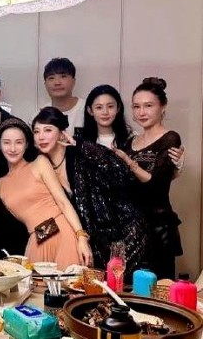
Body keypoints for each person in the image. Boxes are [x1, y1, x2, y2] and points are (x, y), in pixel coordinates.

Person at [32, 106, 148, 276]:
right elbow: (57, 208)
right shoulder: (43, 166)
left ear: (61, 133)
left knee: (124, 286)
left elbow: (117, 168)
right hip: (94, 240)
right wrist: (36, 237)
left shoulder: (80, 153)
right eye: (36, 131)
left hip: (125, 231)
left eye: (48, 130)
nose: (41, 136)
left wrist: (80, 144)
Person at [0, 117, 93, 269]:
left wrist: (81, 237)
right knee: (34, 283)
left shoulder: (39, 163)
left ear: (27, 144)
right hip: (37, 238)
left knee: (69, 282)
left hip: (62, 232)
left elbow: (63, 202)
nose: (13, 148)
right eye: (7, 142)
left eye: (19, 142)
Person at [113, 77, 183, 279]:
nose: (141, 112)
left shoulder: (170, 138)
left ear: (163, 107)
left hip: (157, 228)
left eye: (148, 105)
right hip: (130, 229)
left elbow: (156, 186)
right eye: (136, 107)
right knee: (127, 289)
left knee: (157, 288)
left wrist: (130, 163)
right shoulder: (130, 142)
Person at [42, 57, 85, 135]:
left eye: (63, 76)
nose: (57, 82)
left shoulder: (88, 110)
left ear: (73, 81)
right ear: (45, 85)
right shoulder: (39, 115)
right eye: (51, 78)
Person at [82, 84, 131, 148]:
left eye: (110, 106)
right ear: (90, 110)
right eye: (99, 107)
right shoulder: (80, 141)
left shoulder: (131, 138)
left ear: (118, 108)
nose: (105, 112)